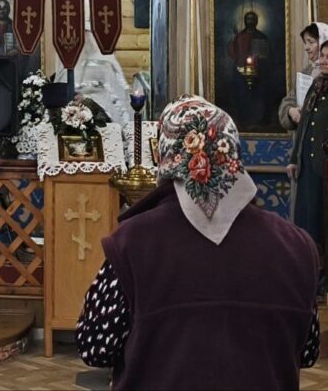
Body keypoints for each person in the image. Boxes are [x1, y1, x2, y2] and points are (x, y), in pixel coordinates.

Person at [77, 95, 320, 389]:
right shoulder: (296, 247)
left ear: (166, 155)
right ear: (232, 151)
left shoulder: (132, 243)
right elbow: (308, 351)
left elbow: (95, 346)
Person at [288, 40, 328, 278]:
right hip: (308, 166)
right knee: (307, 221)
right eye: (322, 56)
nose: (323, 60)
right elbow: (303, 125)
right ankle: (311, 273)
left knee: (322, 222)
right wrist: (294, 159)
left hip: (325, 168)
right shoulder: (316, 85)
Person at [279, 22, 328, 130]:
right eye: (305, 43)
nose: (306, 47)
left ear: (323, 41)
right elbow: (289, 100)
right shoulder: (306, 72)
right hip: (303, 135)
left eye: (311, 42)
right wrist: (290, 111)